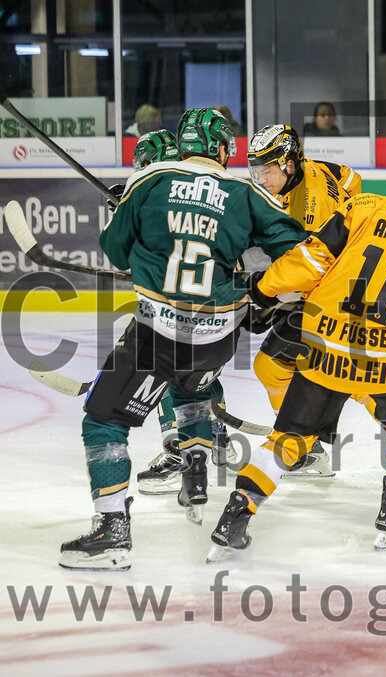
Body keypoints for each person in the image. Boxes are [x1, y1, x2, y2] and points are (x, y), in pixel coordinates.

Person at [58, 108, 307, 570]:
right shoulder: (247, 192)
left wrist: (130, 217)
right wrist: (262, 293)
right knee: (191, 390)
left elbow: (115, 251)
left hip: (160, 332)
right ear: (220, 149)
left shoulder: (150, 180)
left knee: (103, 421)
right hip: (218, 337)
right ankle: (194, 472)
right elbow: (302, 256)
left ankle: (112, 531)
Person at [207, 136, 386, 560]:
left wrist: (263, 290)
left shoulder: (365, 206)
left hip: (324, 341)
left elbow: (311, 260)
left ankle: (236, 515)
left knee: (288, 437)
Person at [129, 129, 239, 496]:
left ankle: (180, 453)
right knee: (199, 376)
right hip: (224, 314)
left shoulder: (165, 196)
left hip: (189, 311)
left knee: (167, 376)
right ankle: (216, 433)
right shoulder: (203, 188)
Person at [246, 123, 360, 476]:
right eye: (257, 170)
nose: (262, 178)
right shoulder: (314, 170)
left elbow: (309, 269)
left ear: (289, 164)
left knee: (358, 380)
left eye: (267, 170)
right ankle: (306, 446)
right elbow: (351, 178)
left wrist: (271, 300)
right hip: (333, 290)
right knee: (272, 366)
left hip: (339, 300)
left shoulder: (309, 206)